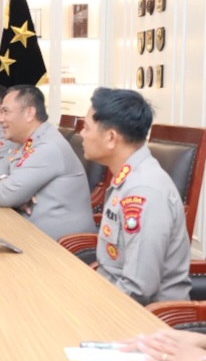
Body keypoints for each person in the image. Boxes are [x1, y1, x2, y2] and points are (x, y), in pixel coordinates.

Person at [81, 87, 190, 305]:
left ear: (111, 138)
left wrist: (88, 307)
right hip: (111, 296)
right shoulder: (128, 177)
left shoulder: (143, 191)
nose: (81, 134)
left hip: (142, 317)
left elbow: (137, 289)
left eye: (86, 127)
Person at [0, 85, 94, 240]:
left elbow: (5, 195)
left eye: (6, 112)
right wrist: (6, 184)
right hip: (29, 233)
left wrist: (11, 194)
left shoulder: (48, 146)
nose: (0, 119)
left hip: (59, 246)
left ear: (29, 113)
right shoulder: (23, 143)